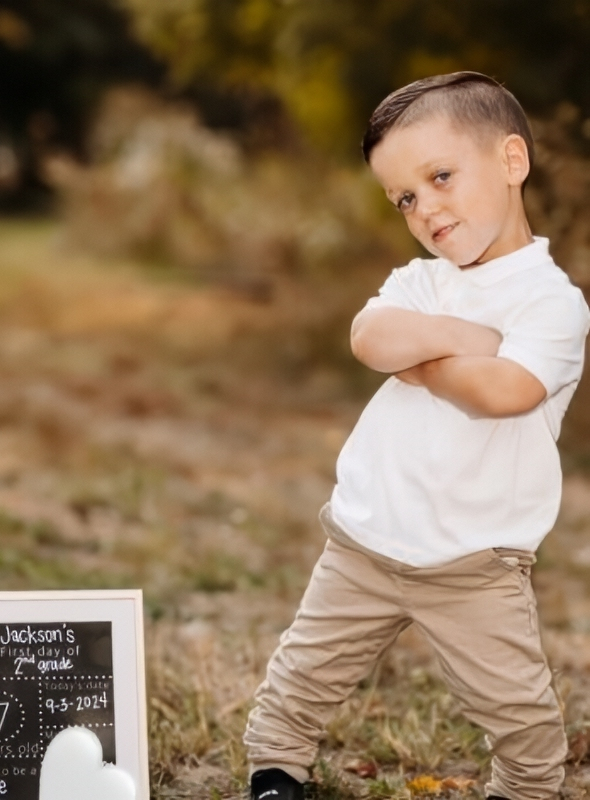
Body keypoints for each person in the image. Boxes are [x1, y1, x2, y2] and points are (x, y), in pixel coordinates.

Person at [244, 72, 590, 800]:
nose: (425, 207)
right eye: (404, 198)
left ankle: (525, 788)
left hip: (477, 559)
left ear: (511, 162)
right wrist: (462, 339)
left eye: (439, 177)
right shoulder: (423, 281)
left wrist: (422, 363)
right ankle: (276, 771)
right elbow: (369, 337)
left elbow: (508, 391)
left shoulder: (553, 303)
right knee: (304, 670)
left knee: (520, 713)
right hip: (368, 537)